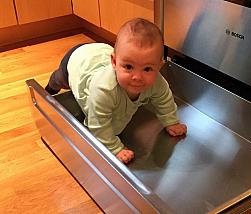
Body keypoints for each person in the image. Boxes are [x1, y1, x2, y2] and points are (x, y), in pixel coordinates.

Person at [45, 18, 187, 164]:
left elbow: (164, 100)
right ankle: (50, 87)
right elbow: (98, 124)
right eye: (128, 67)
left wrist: (171, 122)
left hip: (100, 52)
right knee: (59, 79)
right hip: (79, 59)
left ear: (159, 66)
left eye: (147, 69)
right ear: (114, 62)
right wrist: (114, 148)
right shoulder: (104, 89)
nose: (137, 77)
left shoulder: (157, 82)